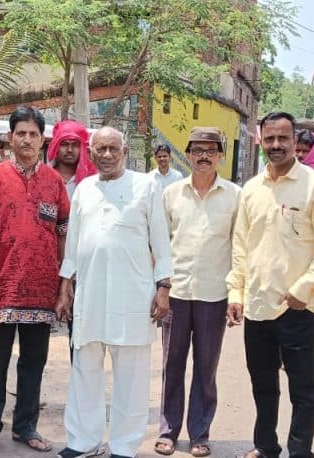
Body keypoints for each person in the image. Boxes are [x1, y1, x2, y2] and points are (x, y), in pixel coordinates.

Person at [226, 112, 314, 458]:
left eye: (283, 139)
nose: (276, 145)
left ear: (294, 142)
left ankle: (300, 452)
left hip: (296, 307)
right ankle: (265, 446)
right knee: (262, 384)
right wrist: (236, 292)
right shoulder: (251, 190)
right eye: (270, 139)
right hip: (257, 305)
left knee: (302, 388)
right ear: (261, 141)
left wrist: (303, 289)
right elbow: (240, 246)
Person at [56, 126, 172, 458]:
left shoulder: (146, 186)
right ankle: (83, 441)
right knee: (85, 370)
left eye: (113, 149)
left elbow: (161, 242)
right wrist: (65, 287)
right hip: (90, 295)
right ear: (90, 154)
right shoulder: (84, 189)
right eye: (100, 149)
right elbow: (73, 245)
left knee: (131, 376)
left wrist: (163, 288)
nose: (107, 155)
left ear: (125, 152)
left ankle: (124, 446)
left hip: (132, 295)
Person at [0, 106, 70, 457]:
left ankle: (25, 426)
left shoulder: (54, 183)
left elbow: (62, 235)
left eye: (33, 134)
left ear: (42, 140)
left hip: (41, 290)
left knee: (34, 362)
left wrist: (64, 285)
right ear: (10, 138)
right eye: (20, 133)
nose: (26, 139)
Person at [155, 127, 241, 458]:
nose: (204, 156)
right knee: (172, 364)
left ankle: (200, 433)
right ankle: (168, 430)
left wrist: (236, 293)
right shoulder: (171, 194)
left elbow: (239, 247)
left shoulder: (235, 196)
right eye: (197, 150)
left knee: (206, 367)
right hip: (176, 293)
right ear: (188, 154)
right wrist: (160, 289)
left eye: (211, 150)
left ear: (220, 155)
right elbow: (160, 246)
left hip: (214, 295)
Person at [46, 119, 98, 346]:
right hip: (46, 263)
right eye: (64, 144)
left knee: (78, 332)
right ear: (55, 145)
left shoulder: (94, 182)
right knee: (37, 334)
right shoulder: (42, 177)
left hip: (81, 266)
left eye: (75, 144)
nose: (69, 150)